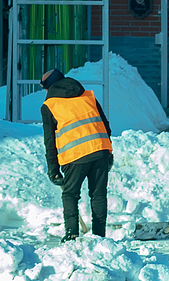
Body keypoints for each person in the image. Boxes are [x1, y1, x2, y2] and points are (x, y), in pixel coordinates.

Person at [40, 68, 114, 241]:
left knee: (70, 194)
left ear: (48, 87)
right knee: (98, 194)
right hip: (100, 149)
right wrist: (108, 152)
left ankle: (71, 234)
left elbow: (49, 141)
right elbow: (105, 125)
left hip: (75, 156)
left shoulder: (49, 106)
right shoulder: (87, 96)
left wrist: (53, 170)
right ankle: (99, 236)